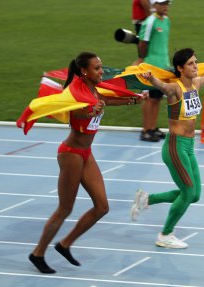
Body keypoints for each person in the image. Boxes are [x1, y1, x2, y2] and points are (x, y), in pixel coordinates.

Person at [28, 52, 145, 274]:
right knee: (65, 209)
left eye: (101, 67)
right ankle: (38, 253)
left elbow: (106, 99)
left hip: (86, 153)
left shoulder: (93, 89)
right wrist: (90, 110)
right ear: (84, 71)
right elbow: (78, 112)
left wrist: (134, 99)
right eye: (97, 69)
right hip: (71, 155)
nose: (102, 71)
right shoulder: (76, 93)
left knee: (102, 207)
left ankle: (65, 244)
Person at [131, 48, 204, 248]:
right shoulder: (175, 89)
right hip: (175, 146)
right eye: (191, 64)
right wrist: (151, 79)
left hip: (189, 146)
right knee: (187, 192)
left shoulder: (196, 84)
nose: (196, 66)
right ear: (180, 68)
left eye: (196, 62)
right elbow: (161, 85)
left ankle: (147, 199)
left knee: (194, 195)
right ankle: (165, 234)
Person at [133, 0, 171, 142]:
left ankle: (153, 128)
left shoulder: (167, 21)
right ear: (155, 6)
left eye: (167, 4)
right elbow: (143, 43)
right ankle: (145, 130)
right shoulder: (149, 22)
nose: (165, 7)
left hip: (163, 67)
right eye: (162, 4)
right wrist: (143, 60)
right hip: (150, 67)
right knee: (149, 99)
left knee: (157, 98)